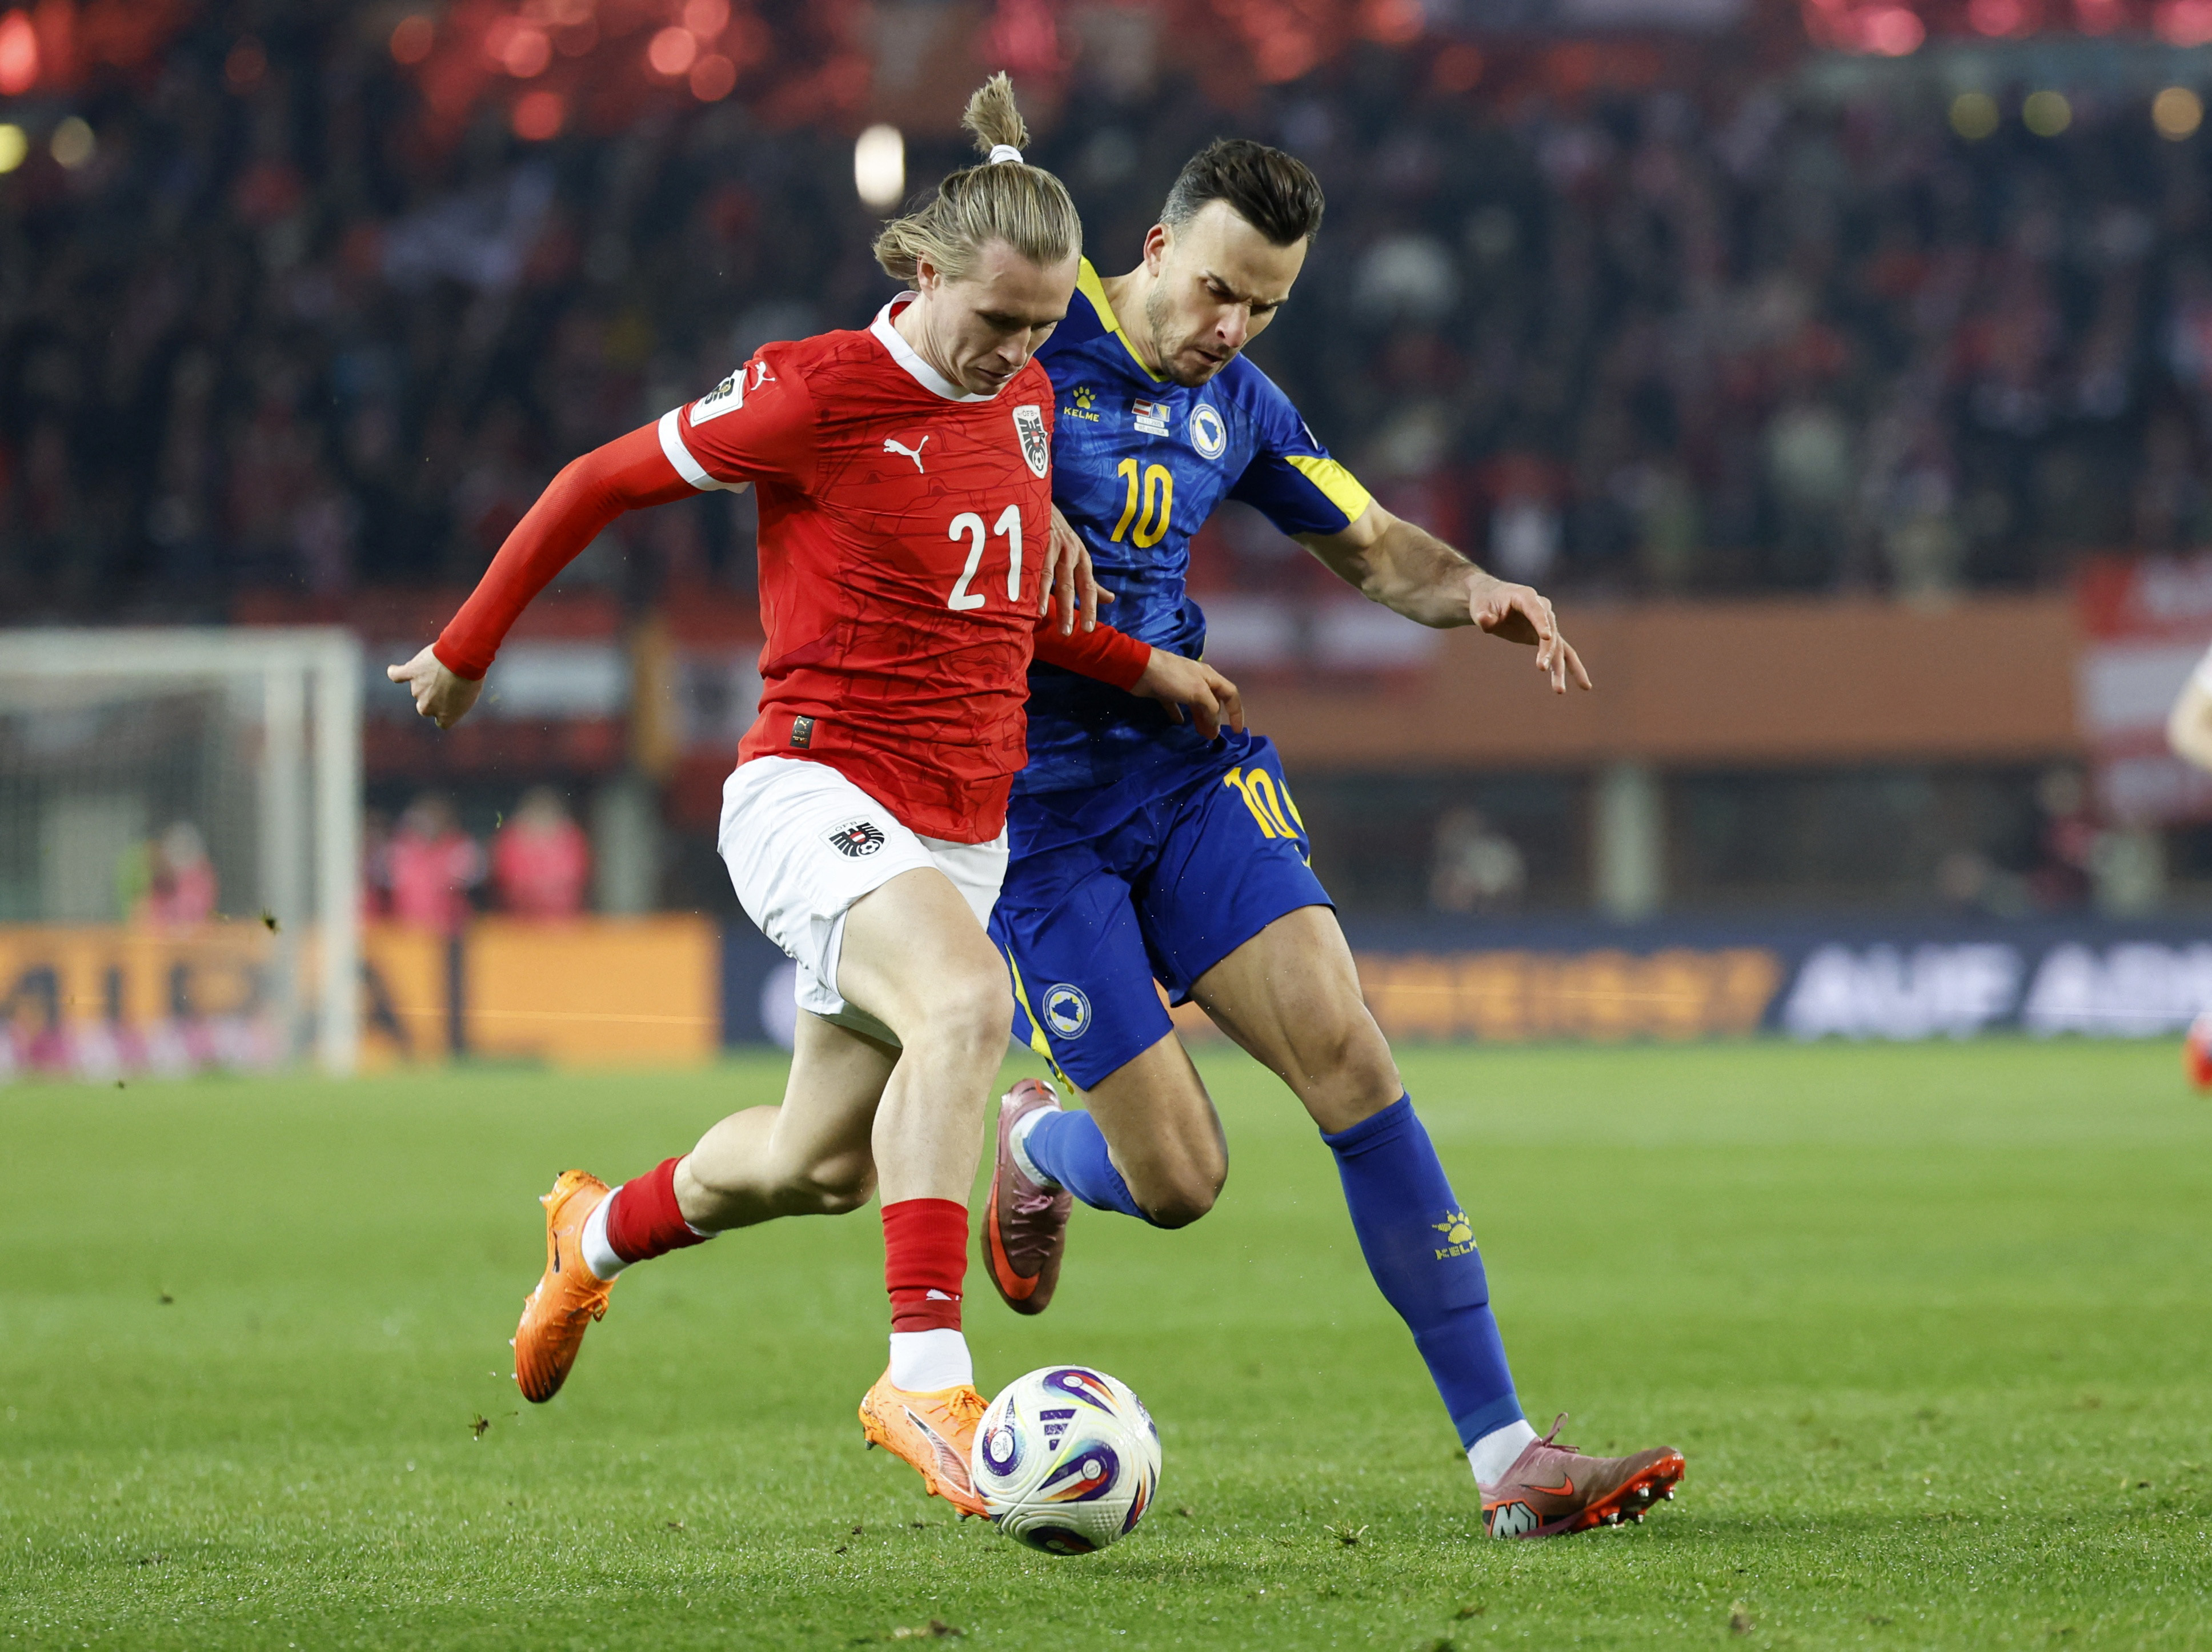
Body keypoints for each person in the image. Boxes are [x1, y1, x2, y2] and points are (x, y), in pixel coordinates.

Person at [385, 76, 1238, 1518]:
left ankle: (592, 1236)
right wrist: (467, 652)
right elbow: (594, 483)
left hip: (962, 827)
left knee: (817, 1164)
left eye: (1042, 327)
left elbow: (994, 606)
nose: (1017, 352)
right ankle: (923, 1377)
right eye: (998, 319)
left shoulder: (1026, 395)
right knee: (966, 1006)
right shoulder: (814, 393)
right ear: (924, 272)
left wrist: (1131, 658)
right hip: (816, 785)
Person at [979, 139, 1685, 1539]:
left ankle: (1508, 1462)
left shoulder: (1236, 403)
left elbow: (1368, 543)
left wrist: (1475, 590)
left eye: (1267, 305)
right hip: (1033, 817)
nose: (1233, 327)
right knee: (1181, 1182)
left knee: (1350, 1053)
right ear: (1157, 248)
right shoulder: (1025, 342)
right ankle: (1041, 1148)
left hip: (1186, 773)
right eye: (1219, 291)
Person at [386, 795, 484, 936]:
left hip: (447, 935)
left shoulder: (458, 847)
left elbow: (471, 876)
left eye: (433, 818)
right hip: (407, 932)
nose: (427, 824)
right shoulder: (402, 848)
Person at [492, 786, 591, 918]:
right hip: (518, 920)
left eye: (546, 812)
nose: (541, 817)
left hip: (564, 920)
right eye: (536, 812)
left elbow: (576, 878)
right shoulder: (511, 839)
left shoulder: (572, 838)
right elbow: (508, 881)